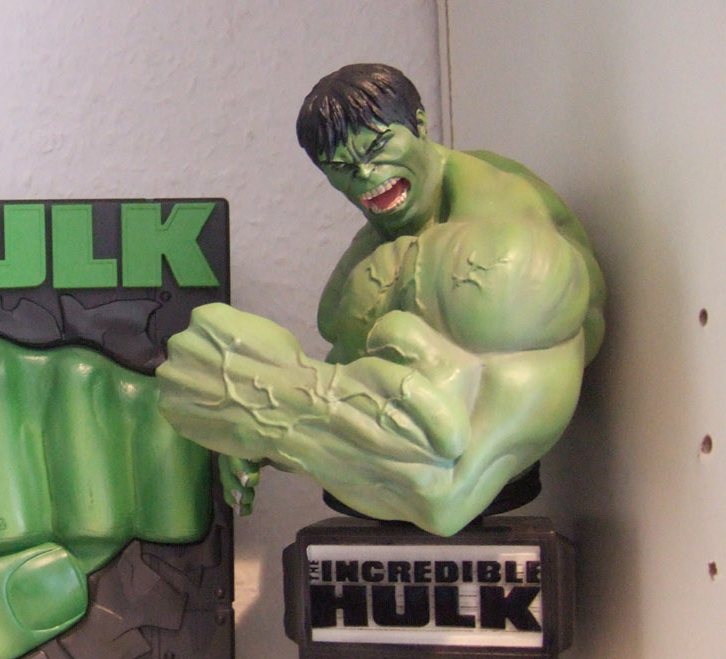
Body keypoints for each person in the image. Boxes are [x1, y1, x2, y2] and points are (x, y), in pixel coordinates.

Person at [158, 63, 604, 536]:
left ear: (420, 124)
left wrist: (272, 408)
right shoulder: (383, 247)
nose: (366, 175)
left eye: (378, 147)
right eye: (341, 169)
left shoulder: (504, 239)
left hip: (464, 474)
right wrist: (262, 444)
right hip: (391, 459)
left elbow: (446, 494)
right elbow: (355, 365)